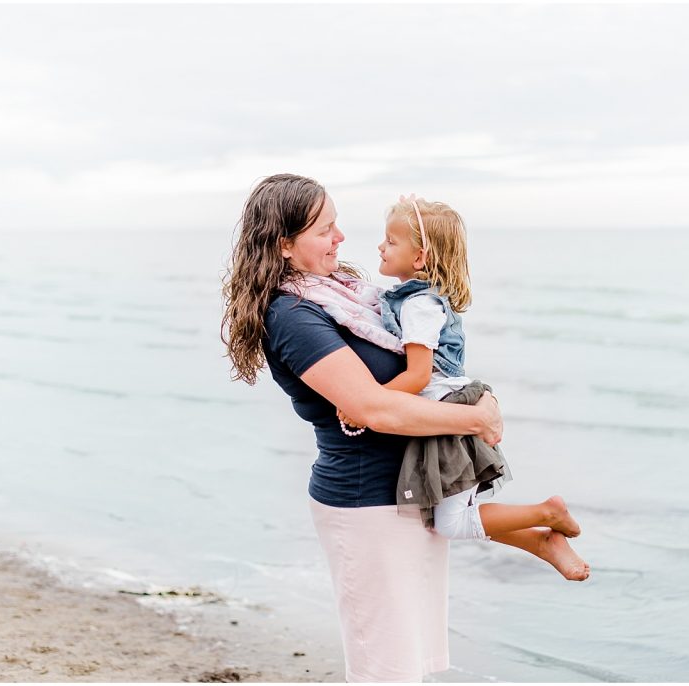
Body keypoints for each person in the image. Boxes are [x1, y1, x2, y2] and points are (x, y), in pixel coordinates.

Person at [222, 174, 582, 682]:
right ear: (285, 244)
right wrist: (477, 416)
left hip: (411, 495)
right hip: (368, 505)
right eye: (326, 229)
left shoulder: (342, 293)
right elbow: (376, 409)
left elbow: (429, 360)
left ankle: (538, 538)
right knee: (384, 670)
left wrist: (481, 399)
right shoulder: (294, 317)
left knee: (411, 665)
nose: (341, 238)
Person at [339, 195, 590, 582]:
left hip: (446, 415)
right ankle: (542, 540)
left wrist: (366, 401)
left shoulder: (420, 306)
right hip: (446, 412)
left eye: (391, 241)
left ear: (419, 257)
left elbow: (419, 376)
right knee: (457, 513)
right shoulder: (413, 297)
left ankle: (546, 514)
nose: (381, 246)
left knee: (452, 522)